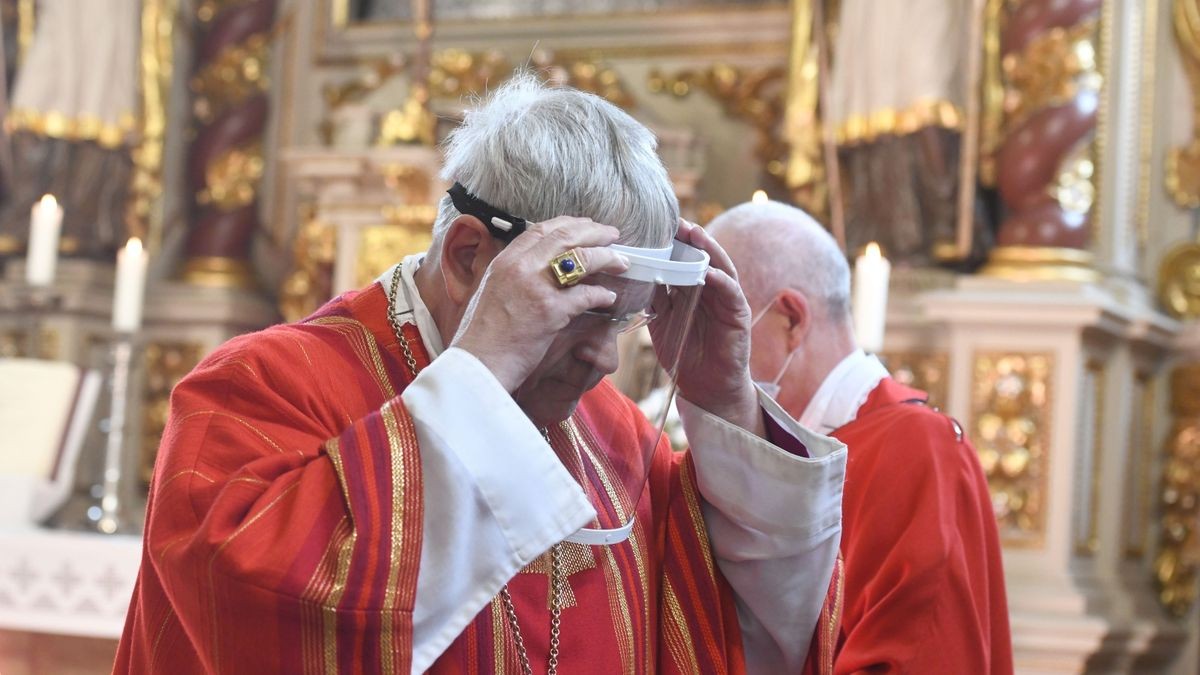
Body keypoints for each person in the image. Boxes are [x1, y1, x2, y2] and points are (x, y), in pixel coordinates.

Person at [114, 75, 847, 674]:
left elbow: (751, 636)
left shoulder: (612, 437)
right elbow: (261, 622)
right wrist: (487, 367)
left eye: (622, 321)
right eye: (578, 313)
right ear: (468, 256)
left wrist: (727, 407)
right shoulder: (257, 390)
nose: (604, 362)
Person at [709, 201, 1012, 673]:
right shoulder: (769, 452)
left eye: (715, 327)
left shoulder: (914, 450)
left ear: (790, 318)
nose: (698, 359)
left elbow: (919, 654)